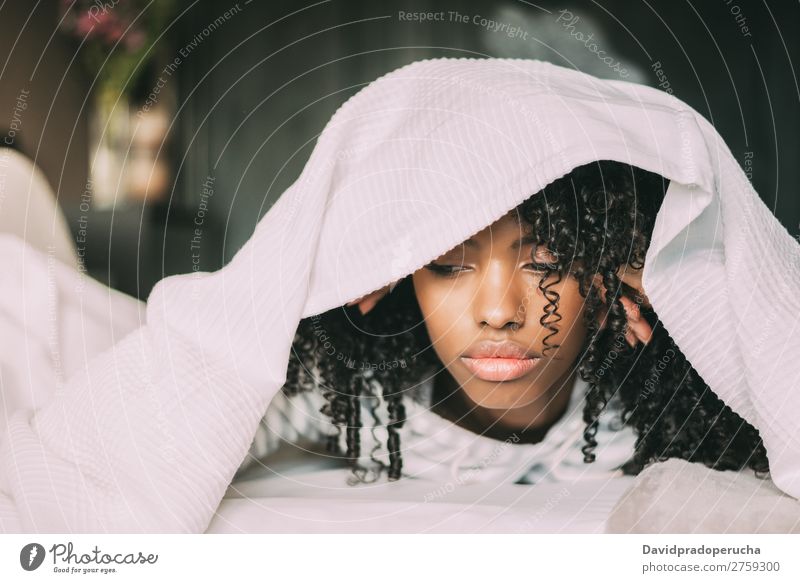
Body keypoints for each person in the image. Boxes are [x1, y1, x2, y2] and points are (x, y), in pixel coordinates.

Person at [1, 56, 797, 534]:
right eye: (448, 263)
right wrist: (321, 279)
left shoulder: (655, 411)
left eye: (549, 260)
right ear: (403, 276)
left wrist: (694, 294)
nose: (498, 309)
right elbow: (135, 455)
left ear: (605, 272)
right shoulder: (339, 395)